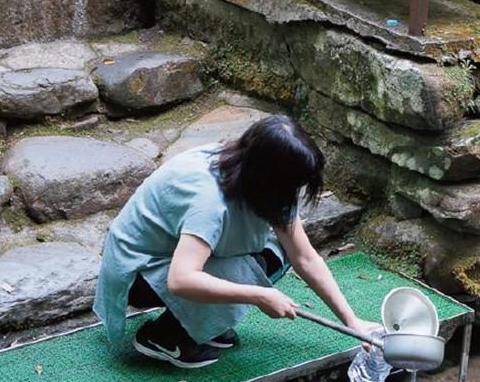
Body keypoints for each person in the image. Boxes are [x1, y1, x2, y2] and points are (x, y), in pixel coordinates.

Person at [93, 114, 376, 368]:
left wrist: (353, 322)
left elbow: (304, 257)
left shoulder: (263, 179)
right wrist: (259, 295)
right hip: (140, 273)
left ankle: (200, 323)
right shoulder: (208, 201)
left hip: (177, 256)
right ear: (269, 177)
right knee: (245, 273)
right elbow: (181, 279)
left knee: (275, 256)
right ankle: (164, 336)